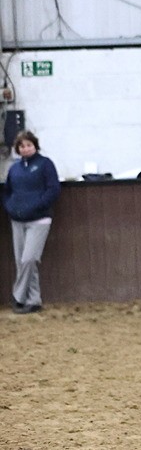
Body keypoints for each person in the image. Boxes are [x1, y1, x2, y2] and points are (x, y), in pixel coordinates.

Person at [4, 130, 60, 314]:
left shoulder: (45, 164)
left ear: (35, 146)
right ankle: (33, 300)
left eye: (29, 145)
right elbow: (8, 191)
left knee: (29, 258)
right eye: (22, 146)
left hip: (39, 219)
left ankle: (18, 295)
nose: (25, 148)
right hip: (18, 220)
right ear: (18, 149)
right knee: (24, 262)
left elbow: (53, 190)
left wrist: (37, 206)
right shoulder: (14, 169)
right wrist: (10, 207)